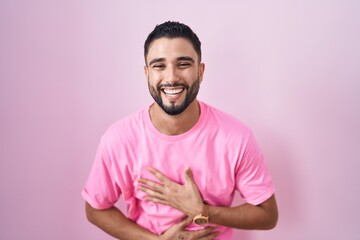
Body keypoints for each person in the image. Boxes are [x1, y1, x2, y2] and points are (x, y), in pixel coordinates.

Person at [82, 21, 278, 240]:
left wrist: (203, 212)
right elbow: (95, 209)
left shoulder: (236, 137)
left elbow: (268, 215)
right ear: (147, 73)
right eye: (159, 66)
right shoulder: (119, 139)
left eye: (183, 64)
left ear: (200, 71)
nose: (172, 77)